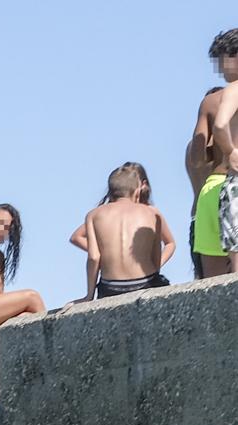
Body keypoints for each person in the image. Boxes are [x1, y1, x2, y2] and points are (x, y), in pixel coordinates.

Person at [78, 165, 175, 300]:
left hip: (110, 287)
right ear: (137, 191)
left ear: (111, 191)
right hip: (147, 282)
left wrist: (89, 295)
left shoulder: (93, 215)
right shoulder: (153, 213)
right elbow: (156, 253)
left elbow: (94, 257)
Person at [189, 30, 238, 277]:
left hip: (214, 187)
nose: (219, 70)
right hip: (233, 186)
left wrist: (220, 151)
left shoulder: (212, 101)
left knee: (213, 283)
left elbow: (197, 158)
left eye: (221, 61)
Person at [187, 88, 225, 279]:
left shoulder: (192, 147)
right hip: (221, 201)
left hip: (199, 215)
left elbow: (196, 161)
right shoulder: (223, 146)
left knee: (207, 282)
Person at [212, 33, 238, 272]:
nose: (220, 71)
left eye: (221, 62)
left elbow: (219, 125)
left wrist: (230, 151)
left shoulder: (234, 88)